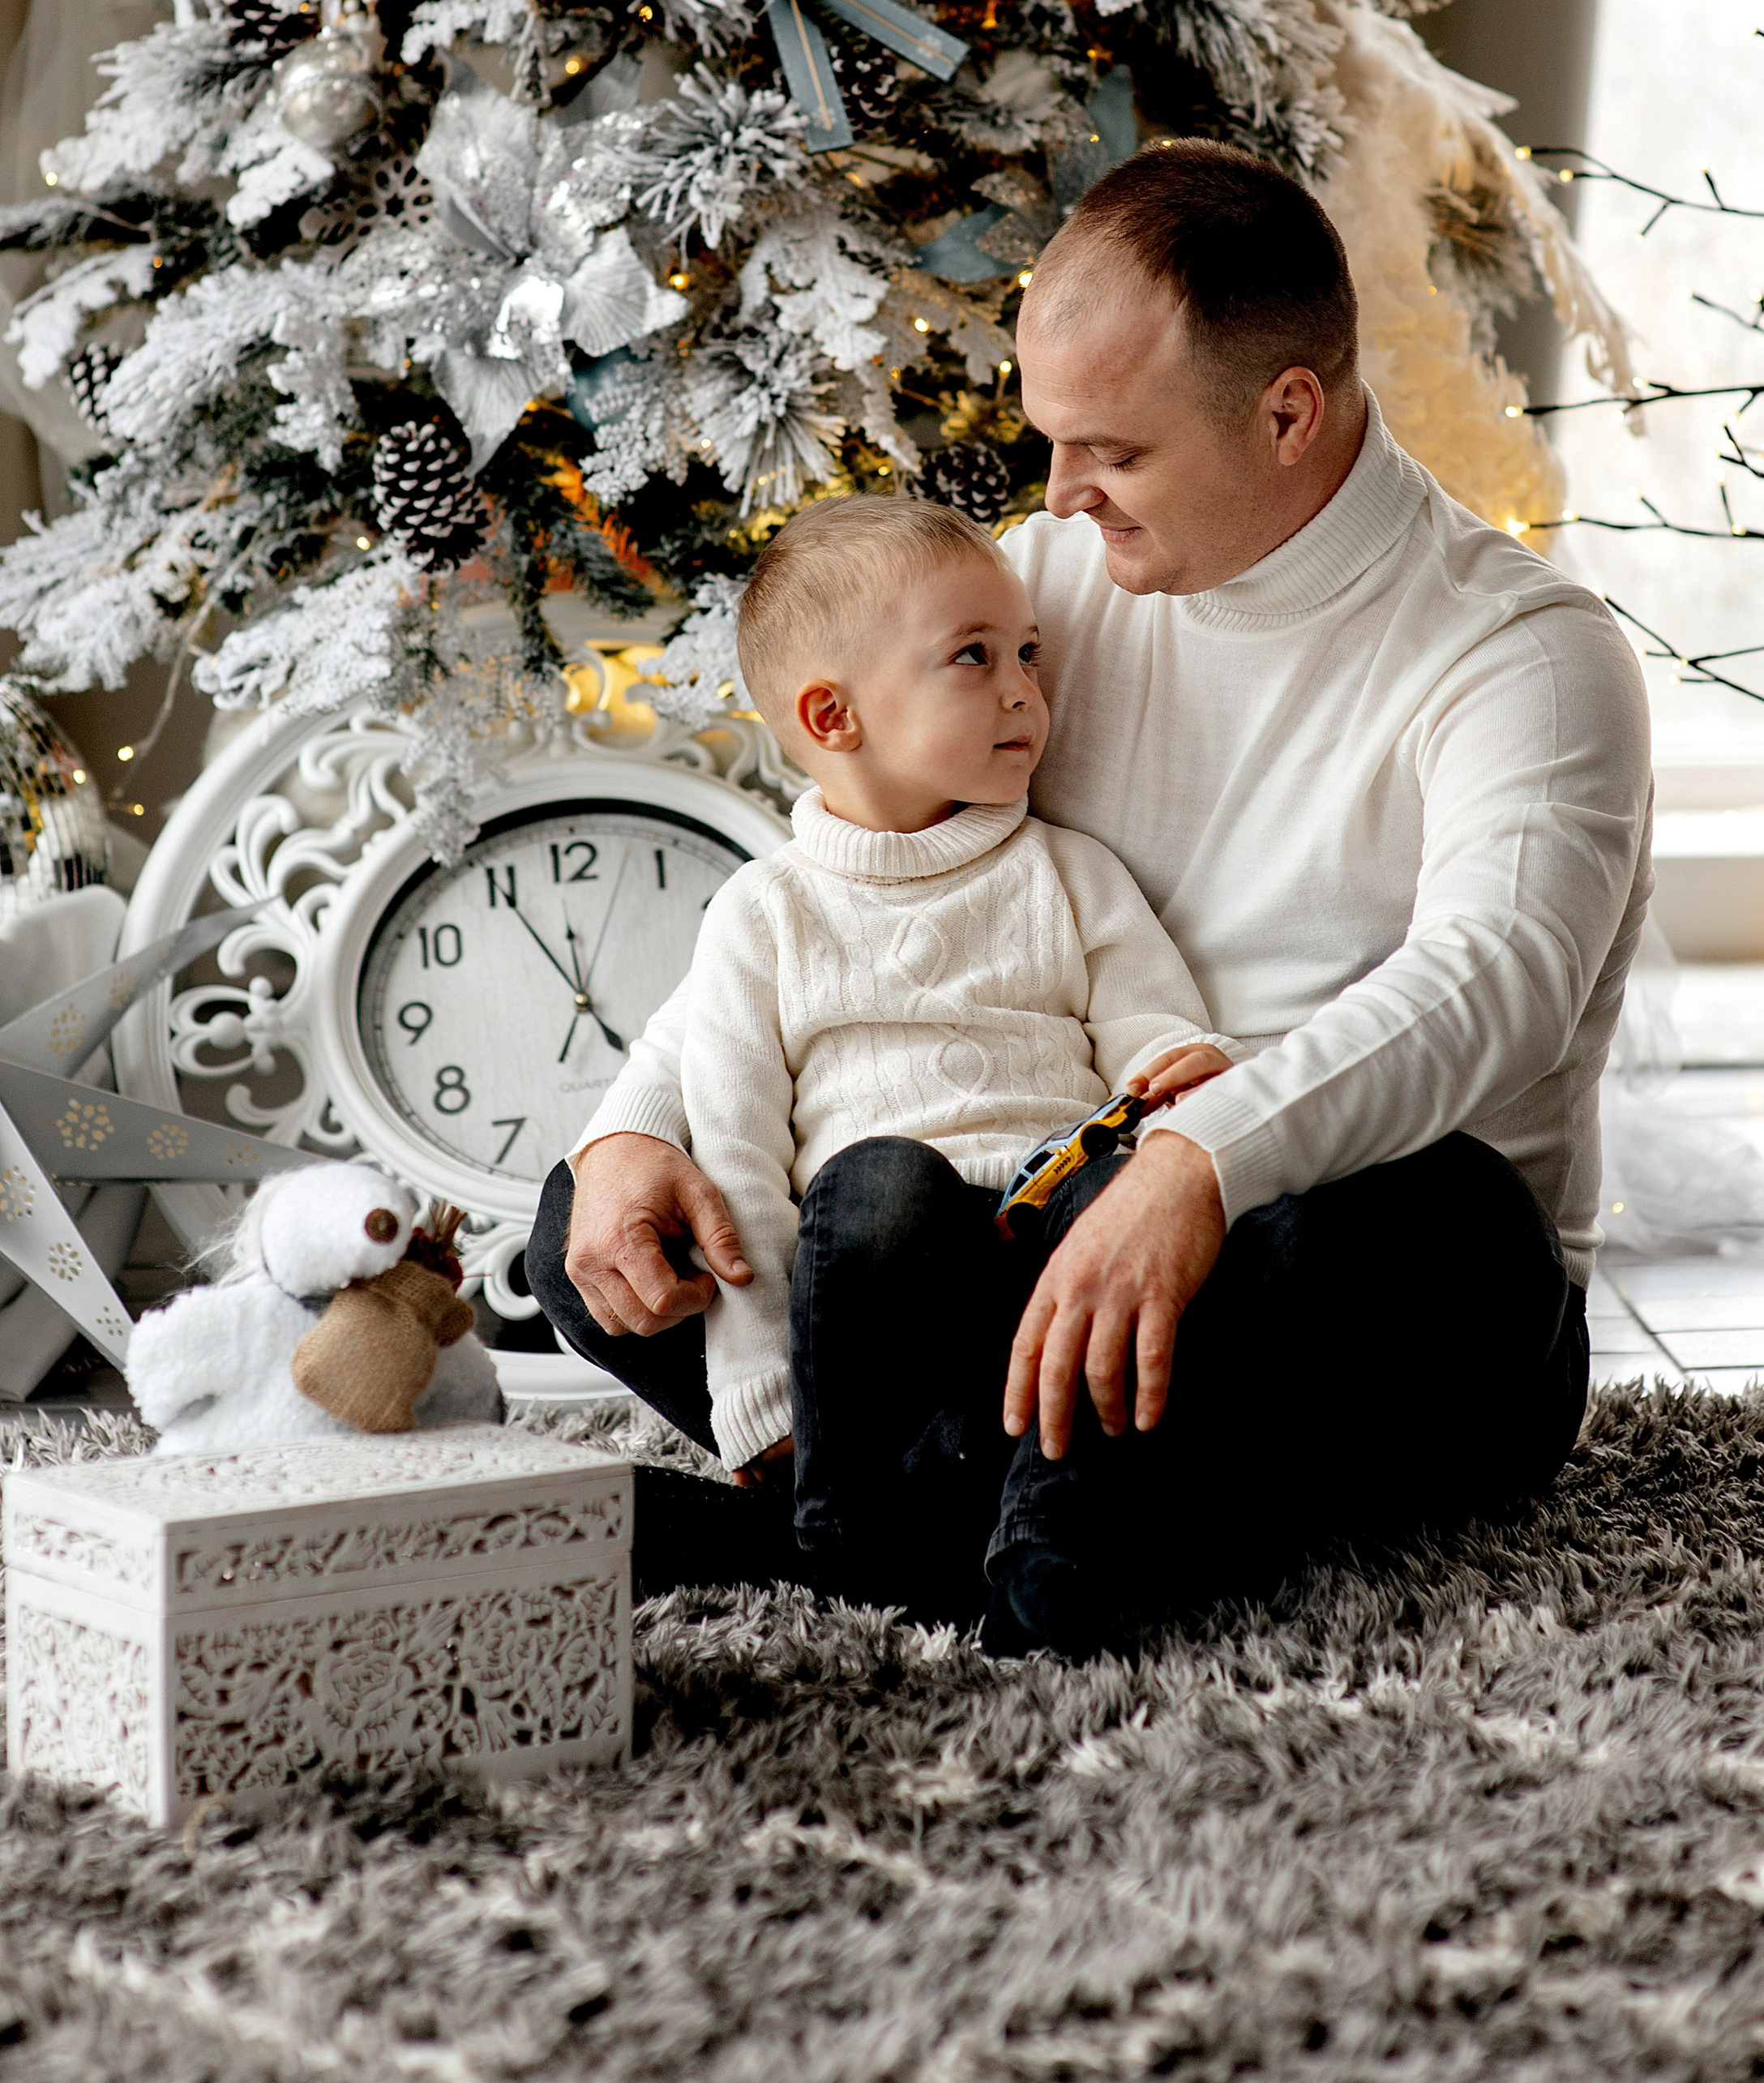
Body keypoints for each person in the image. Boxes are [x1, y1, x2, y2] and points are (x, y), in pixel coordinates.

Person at [530, 139, 1655, 1650]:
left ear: (1286, 413)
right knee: (588, 1231)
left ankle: (877, 1525)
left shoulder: (1521, 654)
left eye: (1110, 451)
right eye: (1050, 441)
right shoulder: (1040, 592)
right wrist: (626, 1131)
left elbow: (1500, 981)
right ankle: (1009, 1520)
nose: (1060, 492)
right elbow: (826, 897)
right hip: (1040, 1241)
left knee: (1421, 1223)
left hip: (1338, 1281)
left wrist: (1201, 1164)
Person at [611, 487, 1234, 1635]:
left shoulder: (1067, 871)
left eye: (1030, 655)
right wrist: (756, 1385)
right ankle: (847, 1529)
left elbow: (1154, 1033)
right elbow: (738, 1159)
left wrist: (1180, 1073)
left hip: (1042, 1257)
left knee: (1120, 1196)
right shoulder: (765, 914)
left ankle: (1045, 1541)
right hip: (871, 1294)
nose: (1023, 691)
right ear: (834, 716)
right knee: (879, 1180)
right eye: (973, 657)